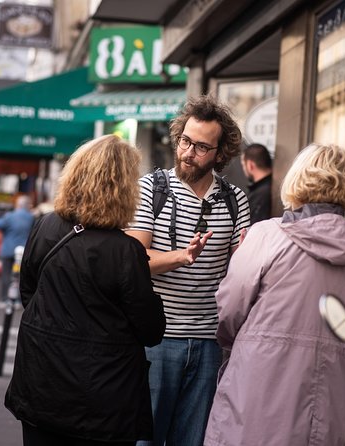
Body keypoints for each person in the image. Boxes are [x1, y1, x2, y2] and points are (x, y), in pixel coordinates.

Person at [203, 143, 345, 445]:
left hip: (262, 386)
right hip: (339, 394)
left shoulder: (266, 235)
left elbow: (230, 309)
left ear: (297, 179)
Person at [4, 135, 166, 446]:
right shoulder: (126, 251)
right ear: (123, 189)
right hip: (102, 400)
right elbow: (150, 330)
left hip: (42, 382)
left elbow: (30, 294)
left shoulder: (45, 227)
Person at [126, 95, 250, 446]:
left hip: (210, 342)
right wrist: (183, 256)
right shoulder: (150, 189)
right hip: (156, 339)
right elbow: (135, 261)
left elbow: (239, 270)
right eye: (185, 141)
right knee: (144, 439)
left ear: (220, 153)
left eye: (201, 147)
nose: (188, 153)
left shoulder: (234, 199)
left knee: (193, 441)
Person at [0, 195, 34, 308]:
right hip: (23, 251)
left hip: (8, 249)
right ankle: (17, 301)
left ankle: (4, 299)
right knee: (20, 277)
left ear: (18, 205)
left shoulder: (10, 216)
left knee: (6, 275)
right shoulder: (30, 217)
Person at [241, 143, 273, 223]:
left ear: (250, 165)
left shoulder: (261, 195)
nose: (244, 169)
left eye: (243, 165)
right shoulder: (275, 187)